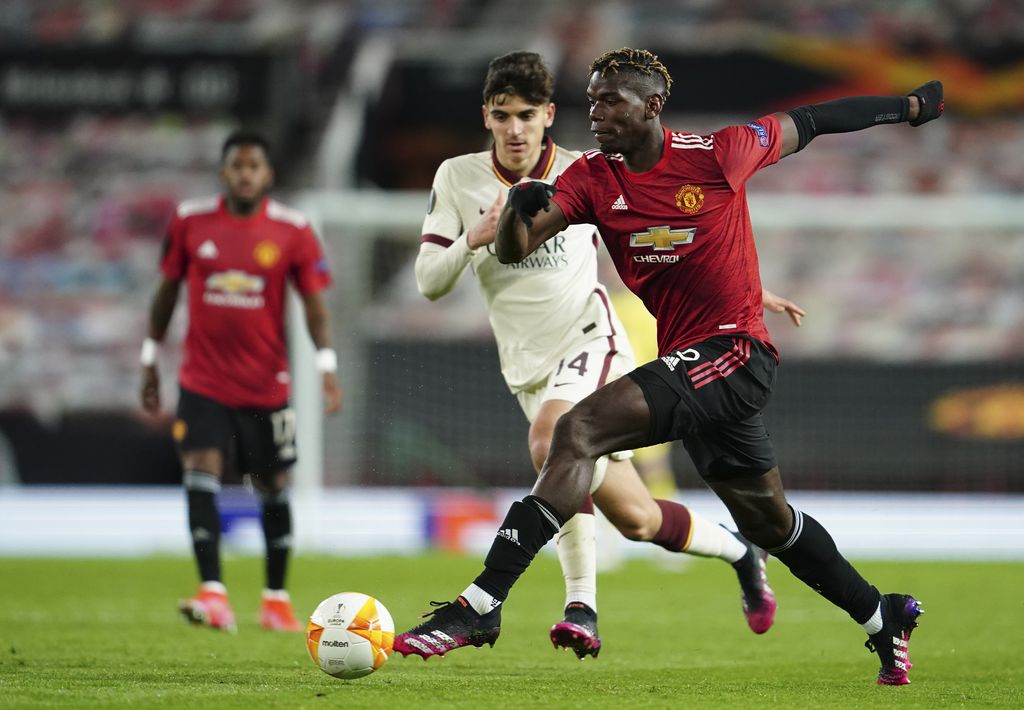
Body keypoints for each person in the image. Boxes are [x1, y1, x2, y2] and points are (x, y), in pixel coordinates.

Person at [395, 48, 943, 685]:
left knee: (575, 431)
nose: (594, 113)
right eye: (591, 99)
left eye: (609, 100)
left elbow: (814, 119)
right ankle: (883, 617)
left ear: (652, 106)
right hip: (690, 366)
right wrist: (518, 211)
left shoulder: (720, 153)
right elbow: (519, 250)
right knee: (771, 523)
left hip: (734, 354)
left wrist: (908, 107)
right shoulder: (593, 179)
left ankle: (481, 605)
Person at [140, 129, 341, 633]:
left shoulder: (293, 229)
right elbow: (166, 292)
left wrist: (326, 367)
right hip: (202, 379)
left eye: (254, 166)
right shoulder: (190, 221)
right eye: (237, 166)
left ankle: (276, 600)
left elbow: (314, 306)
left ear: (267, 174)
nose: (246, 174)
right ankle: (213, 593)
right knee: (200, 469)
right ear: (224, 171)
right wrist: (149, 356)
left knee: (273, 484)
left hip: (265, 385)